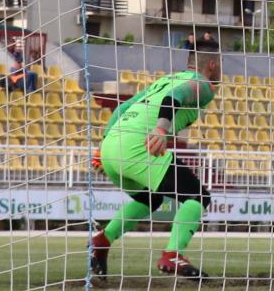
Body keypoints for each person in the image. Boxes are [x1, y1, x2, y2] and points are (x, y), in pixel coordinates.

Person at [90, 53, 220, 279]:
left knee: (150, 198)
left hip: (111, 147)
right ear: (212, 64)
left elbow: (121, 110)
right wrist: (161, 129)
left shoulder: (166, 79)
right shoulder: (203, 84)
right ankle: (172, 254)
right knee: (198, 196)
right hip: (139, 146)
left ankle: (102, 240)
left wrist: (102, 147)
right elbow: (174, 97)